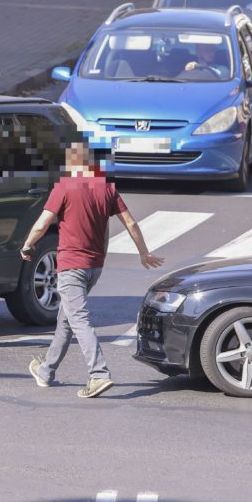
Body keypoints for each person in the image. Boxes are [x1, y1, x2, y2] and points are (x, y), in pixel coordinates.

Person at [21, 142, 163, 398]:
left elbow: (43, 223)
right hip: (94, 267)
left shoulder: (64, 187)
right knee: (66, 320)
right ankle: (46, 371)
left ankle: (98, 374)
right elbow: (129, 222)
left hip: (70, 266)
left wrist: (28, 244)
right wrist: (144, 252)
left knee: (79, 320)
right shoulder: (107, 189)